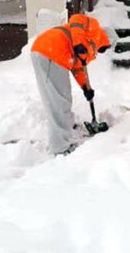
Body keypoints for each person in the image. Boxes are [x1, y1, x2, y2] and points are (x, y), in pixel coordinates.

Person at [31, 14, 117, 154]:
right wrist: (78, 44)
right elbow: (76, 19)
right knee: (60, 102)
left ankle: (66, 127)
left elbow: (77, 67)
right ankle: (60, 147)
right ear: (108, 41)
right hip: (52, 51)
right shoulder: (93, 29)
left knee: (54, 100)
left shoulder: (88, 45)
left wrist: (85, 88)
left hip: (45, 50)